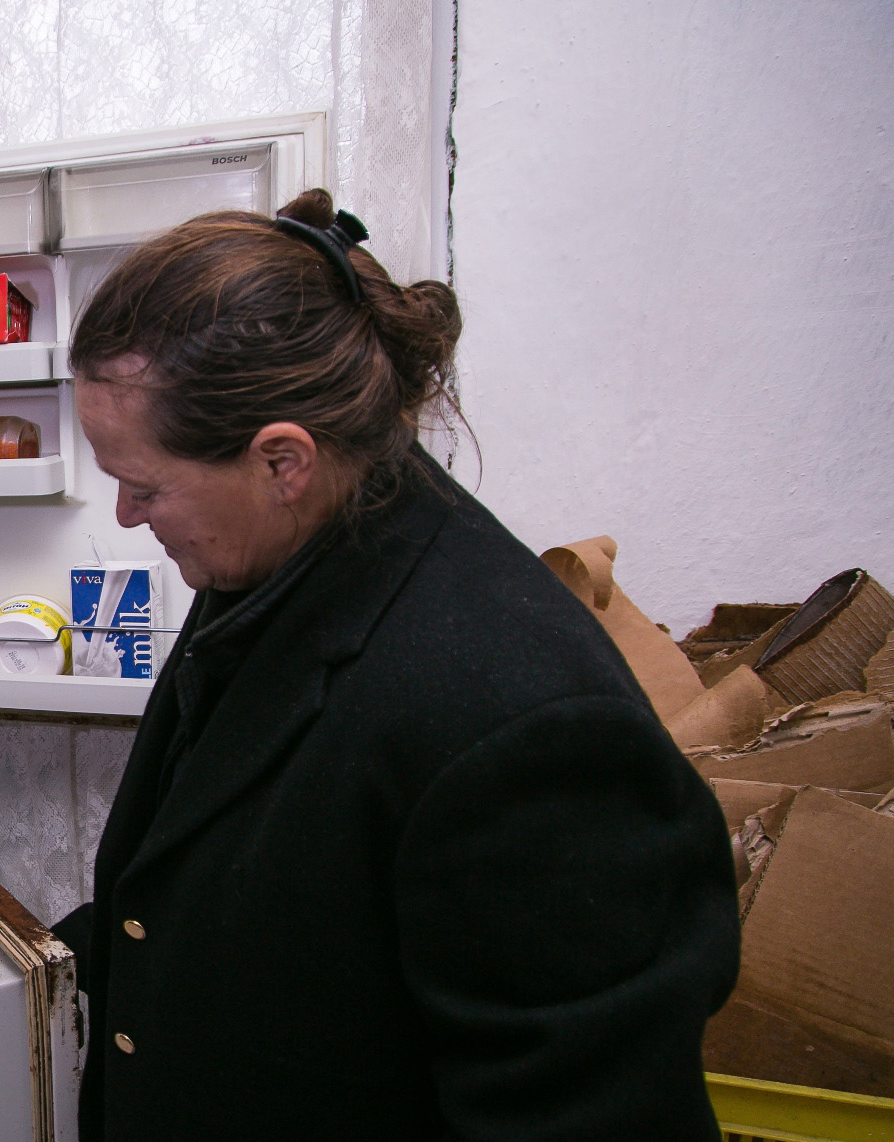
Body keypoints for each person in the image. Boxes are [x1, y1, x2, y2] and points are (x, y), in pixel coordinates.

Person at [53, 189, 739, 1139]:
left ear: (282, 460)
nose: (127, 516)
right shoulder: (280, 551)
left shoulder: (523, 724)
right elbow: (274, 903)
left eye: (144, 485)